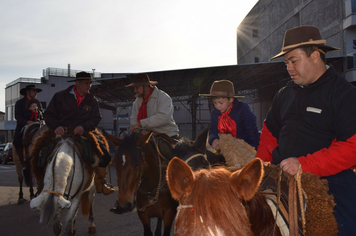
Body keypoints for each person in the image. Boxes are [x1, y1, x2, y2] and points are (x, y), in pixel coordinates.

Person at [256, 25, 356, 235]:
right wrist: (260, 166)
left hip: (329, 179)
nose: (289, 68)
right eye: (286, 63)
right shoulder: (284, 94)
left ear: (315, 56)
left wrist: (304, 165)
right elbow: (269, 131)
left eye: (293, 60)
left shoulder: (344, 94)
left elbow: (351, 147)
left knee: (346, 225)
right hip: (279, 172)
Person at [44, 71, 114, 195]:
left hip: (84, 133)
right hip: (61, 132)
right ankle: (41, 185)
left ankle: (101, 184)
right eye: (86, 83)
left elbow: (96, 118)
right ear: (77, 83)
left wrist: (83, 126)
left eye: (90, 83)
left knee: (105, 155)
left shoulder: (91, 99)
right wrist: (56, 126)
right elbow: (49, 115)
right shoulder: (60, 96)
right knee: (39, 153)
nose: (89, 86)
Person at [200, 80, 260, 150]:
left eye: (221, 103)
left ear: (231, 99)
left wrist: (254, 149)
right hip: (224, 147)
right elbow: (213, 130)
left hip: (243, 147)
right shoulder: (214, 113)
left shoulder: (243, 109)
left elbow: (252, 131)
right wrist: (213, 139)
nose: (217, 106)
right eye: (215, 103)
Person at [127, 73, 179, 138]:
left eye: (137, 87)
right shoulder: (136, 102)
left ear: (145, 86)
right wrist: (140, 131)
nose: (135, 90)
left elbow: (163, 117)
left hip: (166, 134)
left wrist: (141, 124)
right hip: (145, 136)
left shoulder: (163, 97)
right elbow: (133, 120)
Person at [13, 84, 43, 163]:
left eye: (36, 91)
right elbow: (17, 116)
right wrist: (26, 122)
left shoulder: (38, 103)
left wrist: (42, 120)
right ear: (27, 92)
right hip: (23, 125)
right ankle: (23, 161)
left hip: (37, 125)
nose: (35, 93)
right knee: (17, 141)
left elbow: (42, 114)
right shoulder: (19, 103)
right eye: (33, 91)